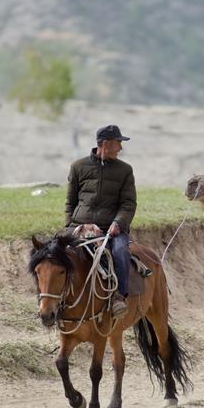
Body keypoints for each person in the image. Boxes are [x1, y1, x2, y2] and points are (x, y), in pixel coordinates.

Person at [65, 125, 136, 318]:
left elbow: (128, 204)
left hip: (111, 227)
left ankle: (119, 297)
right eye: (118, 143)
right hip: (79, 226)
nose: (120, 148)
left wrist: (118, 223)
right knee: (50, 251)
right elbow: (70, 202)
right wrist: (76, 226)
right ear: (105, 144)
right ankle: (52, 298)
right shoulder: (78, 167)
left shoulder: (125, 171)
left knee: (121, 251)